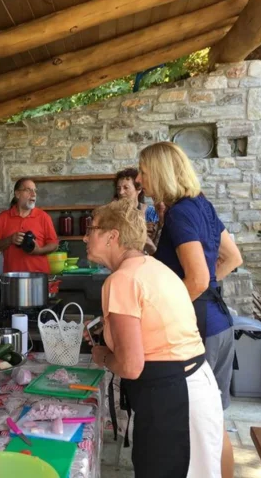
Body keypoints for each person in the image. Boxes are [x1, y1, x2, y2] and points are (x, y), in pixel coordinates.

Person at [85, 199, 223, 478]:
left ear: (113, 236)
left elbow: (131, 365)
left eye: (93, 229)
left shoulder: (121, 280)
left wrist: (102, 356)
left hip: (172, 398)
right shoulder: (152, 266)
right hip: (191, 385)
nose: (86, 236)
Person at [137, 141, 243, 478]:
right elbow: (231, 258)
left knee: (203, 429)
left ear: (161, 172)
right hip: (220, 324)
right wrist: (206, 287)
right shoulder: (201, 204)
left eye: (143, 171)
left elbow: (196, 278)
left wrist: (166, 312)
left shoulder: (181, 212)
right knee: (216, 423)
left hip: (201, 329)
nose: (140, 179)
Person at [0, 178, 59, 273]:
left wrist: (38, 250)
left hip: (39, 278)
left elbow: (54, 245)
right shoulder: (3, 217)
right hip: (13, 279)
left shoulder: (43, 217)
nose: (33, 194)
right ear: (17, 194)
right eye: (28, 190)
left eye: (35, 191)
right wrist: (10, 239)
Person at [114, 167, 161, 254]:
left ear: (138, 189)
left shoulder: (153, 213)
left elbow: (158, 245)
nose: (121, 192)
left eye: (126, 188)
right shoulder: (112, 214)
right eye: (118, 188)